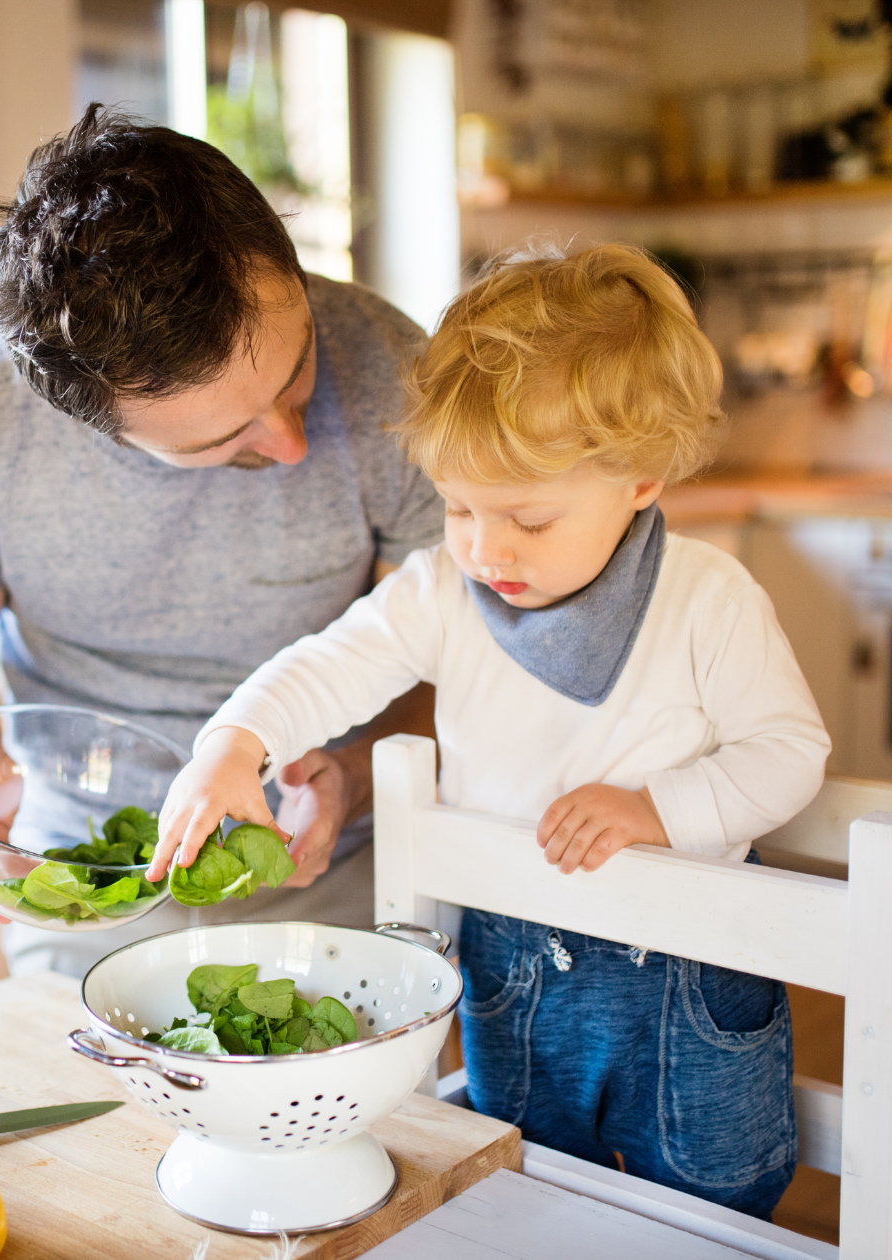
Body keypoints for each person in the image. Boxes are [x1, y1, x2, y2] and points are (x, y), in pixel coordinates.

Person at [155, 242, 829, 1216]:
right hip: (512, 962)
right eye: (458, 507)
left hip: (686, 971)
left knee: (711, 1198)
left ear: (640, 477)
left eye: (527, 519)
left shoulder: (707, 599)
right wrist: (236, 742)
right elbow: (329, 664)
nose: (483, 547)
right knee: (525, 1184)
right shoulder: (442, 591)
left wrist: (657, 809)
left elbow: (790, 755)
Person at [0, 107, 442, 976]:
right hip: (84, 881)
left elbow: (448, 656)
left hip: (345, 870)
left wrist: (354, 776)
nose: (292, 445)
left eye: (297, 373)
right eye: (224, 439)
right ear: (89, 422)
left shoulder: (396, 371)